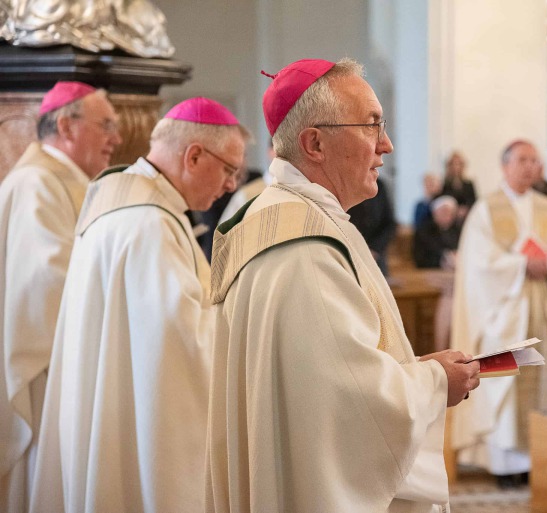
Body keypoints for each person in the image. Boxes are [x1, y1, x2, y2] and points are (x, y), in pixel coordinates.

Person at [205, 58, 480, 513]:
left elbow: (327, 372)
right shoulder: (303, 247)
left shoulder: (298, 218)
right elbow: (349, 401)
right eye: (372, 126)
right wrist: (435, 383)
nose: (386, 145)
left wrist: (414, 367)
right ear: (314, 143)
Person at [29, 97, 247, 513]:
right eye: (229, 169)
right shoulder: (151, 224)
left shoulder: (122, 200)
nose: (231, 184)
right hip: (140, 429)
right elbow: (185, 344)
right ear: (194, 155)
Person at [0, 81, 121, 513]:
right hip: (45, 368)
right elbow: (46, 287)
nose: (117, 139)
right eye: (106, 125)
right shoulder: (39, 183)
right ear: (67, 126)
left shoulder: (64, 180)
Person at [451, 139, 547, 487]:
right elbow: (478, 265)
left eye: (534, 160)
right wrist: (521, 266)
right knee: (504, 383)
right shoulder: (486, 209)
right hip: (505, 313)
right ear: (505, 166)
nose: (529, 166)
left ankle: (539, 460)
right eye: (522, 160)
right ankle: (504, 466)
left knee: (544, 383)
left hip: (543, 309)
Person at [347, 175, 397, 275]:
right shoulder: (345, 183)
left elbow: (389, 223)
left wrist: (375, 249)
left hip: (376, 255)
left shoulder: (380, 185)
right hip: (349, 253)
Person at [412, 195, 461, 269]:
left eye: (450, 213)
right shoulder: (424, 231)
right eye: (444, 212)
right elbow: (421, 258)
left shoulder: (457, 230)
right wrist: (443, 260)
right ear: (434, 213)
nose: (447, 216)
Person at [441, 151, 476, 221]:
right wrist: (455, 210)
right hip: (450, 219)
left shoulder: (468, 184)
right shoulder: (445, 184)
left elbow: (473, 200)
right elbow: (445, 200)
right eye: (454, 164)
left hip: (467, 217)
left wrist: (465, 209)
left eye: (458, 164)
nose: (456, 167)